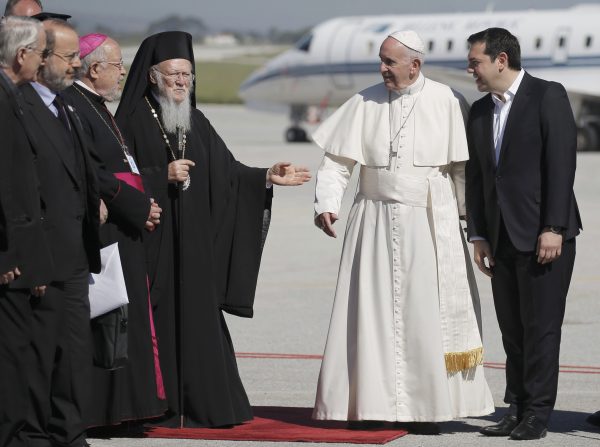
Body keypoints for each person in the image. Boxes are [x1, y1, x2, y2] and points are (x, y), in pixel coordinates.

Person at [115, 31, 311, 428]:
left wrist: (266, 178)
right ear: (152, 76)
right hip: (154, 246)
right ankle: (160, 406)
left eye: (188, 74)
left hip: (195, 248)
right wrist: (158, 176)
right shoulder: (131, 121)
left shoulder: (195, 119)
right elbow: (113, 179)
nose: (182, 82)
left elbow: (228, 174)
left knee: (201, 323)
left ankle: (205, 404)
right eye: (173, 74)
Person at [311, 30, 493, 433]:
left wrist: (471, 224)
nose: (382, 68)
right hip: (372, 222)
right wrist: (326, 202)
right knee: (370, 315)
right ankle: (370, 405)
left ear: (415, 64)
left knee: (426, 317)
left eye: (390, 62)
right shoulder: (364, 100)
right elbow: (337, 163)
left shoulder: (447, 101)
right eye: (381, 60)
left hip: (428, 225)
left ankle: (427, 410)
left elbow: (462, 171)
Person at [465, 28, 582, 440]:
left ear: (500, 59)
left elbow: (561, 165)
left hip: (543, 237)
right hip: (500, 239)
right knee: (512, 330)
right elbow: (477, 179)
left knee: (542, 329)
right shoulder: (479, 111)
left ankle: (537, 413)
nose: (470, 69)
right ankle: (515, 406)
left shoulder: (547, 95)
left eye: (475, 61)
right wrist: (477, 234)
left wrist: (553, 227)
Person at [62, 32, 168, 427]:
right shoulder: (76, 105)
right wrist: (138, 205)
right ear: (95, 68)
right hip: (110, 228)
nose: (124, 71)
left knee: (128, 320)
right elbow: (98, 173)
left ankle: (126, 408)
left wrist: (145, 201)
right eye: (117, 64)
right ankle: (107, 411)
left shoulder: (98, 106)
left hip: (127, 222)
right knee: (109, 321)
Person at [19, 19, 101, 447]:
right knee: (40, 355)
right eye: (69, 58)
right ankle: (34, 435)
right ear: (42, 57)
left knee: (73, 353)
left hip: (73, 254)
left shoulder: (66, 105)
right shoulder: (20, 107)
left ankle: (69, 433)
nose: (76, 66)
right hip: (42, 256)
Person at [0, 15, 52, 447]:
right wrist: (6, 254)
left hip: (18, 250)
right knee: (11, 353)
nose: (42, 62)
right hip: (8, 255)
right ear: (21, 55)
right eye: (39, 53)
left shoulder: (11, 94)